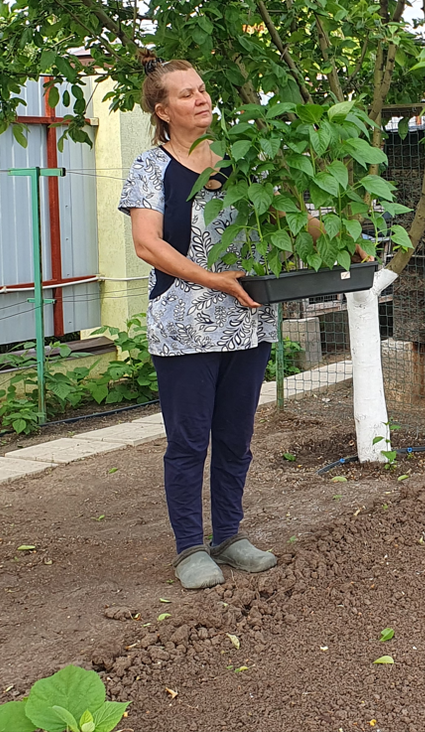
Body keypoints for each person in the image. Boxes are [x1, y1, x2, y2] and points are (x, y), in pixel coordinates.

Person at [119, 55, 288, 589]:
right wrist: (212, 278)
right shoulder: (152, 167)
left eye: (202, 89)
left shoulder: (240, 161)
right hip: (185, 326)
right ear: (163, 109)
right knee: (190, 441)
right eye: (187, 93)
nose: (202, 98)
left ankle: (230, 535)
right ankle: (190, 547)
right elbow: (148, 245)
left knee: (236, 437)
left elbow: (284, 214)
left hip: (248, 321)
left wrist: (336, 227)